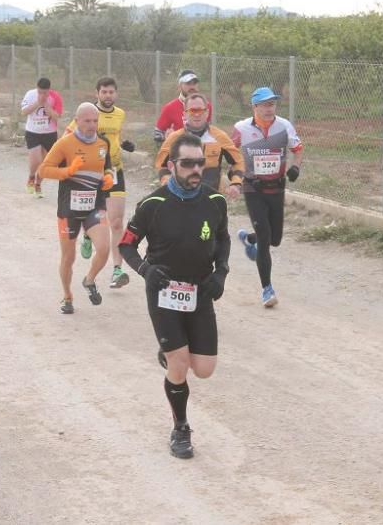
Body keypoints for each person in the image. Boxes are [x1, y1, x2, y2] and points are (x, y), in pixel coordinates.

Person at [119, 133, 231, 459]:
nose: (196, 169)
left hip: (200, 291)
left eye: (201, 162)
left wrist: (221, 272)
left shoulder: (215, 201)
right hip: (164, 292)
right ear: (172, 165)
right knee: (180, 366)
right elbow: (126, 244)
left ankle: (170, 351)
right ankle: (181, 427)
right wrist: (144, 270)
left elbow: (223, 240)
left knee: (205, 369)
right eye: (187, 163)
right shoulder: (152, 205)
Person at [37, 103, 115, 313]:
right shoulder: (65, 144)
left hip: (94, 206)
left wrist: (109, 176)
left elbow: (108, 165)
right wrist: (67, 171)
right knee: (68, 257)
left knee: (105, 247)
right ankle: (67, 296)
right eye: (87, 121)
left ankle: (89, 280)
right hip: (68, 209)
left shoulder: (103, 143)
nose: (92, 125)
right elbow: (43, 169)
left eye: (95, 121)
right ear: (77, 121)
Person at [232, 87, 303, 308]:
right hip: (253, 188)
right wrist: (233, 171)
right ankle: (267, 289)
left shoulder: (284, 126)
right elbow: (229, 150)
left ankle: (249, 238)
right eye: (264, 105)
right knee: (265, 239)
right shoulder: (241, 128)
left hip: (276, 187)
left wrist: (295, 168)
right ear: (255, 107)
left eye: (272, 104)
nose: (269, 108)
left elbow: (298, 149)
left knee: (275, 239)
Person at [63, 77, 134, 287]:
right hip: (92, 172)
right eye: (104, 92)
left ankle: (117, 270)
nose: (108, 95)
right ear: (97, 94)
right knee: (91, 214)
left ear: (116, 94)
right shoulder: (88, 114)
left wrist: (124, 145)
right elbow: (67, 136)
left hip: (115, 171)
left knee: (117, 221)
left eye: (111, 92)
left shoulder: (120, 114)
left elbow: (115, 138)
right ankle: (87, 235)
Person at [155, 92, 244, 199]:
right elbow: (161, 164)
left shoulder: (220, 137)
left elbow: (238, 162)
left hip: (211, 198)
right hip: (179, 198)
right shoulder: (174, 138)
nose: (197, 114)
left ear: (207, 113)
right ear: (185, 114)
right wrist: (166, 180)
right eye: (192, 111)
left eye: (200, 111)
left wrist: (235, 183)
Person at [21, 77, 64, 197]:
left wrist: (46, 106)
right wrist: (37, 103)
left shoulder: (55, 97)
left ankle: (38, 184)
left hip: (49, 133)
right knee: (36, 160)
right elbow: (24, 112)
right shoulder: (30, 94)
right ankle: (31, 177)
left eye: (44, 92)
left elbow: (57, 116)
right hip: (33, 132)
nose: (42, 94)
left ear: (49, 90)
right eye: (40, 92)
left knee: (45, 163)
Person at [153, 70, 212, 144]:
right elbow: (157, 135)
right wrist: (168, 138)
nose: (192, 87)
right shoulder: (170, 107)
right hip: (178, 152)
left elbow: (209, 130)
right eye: (188, 83)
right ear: (179, 86)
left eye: (194, 83)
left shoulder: (207, 106)